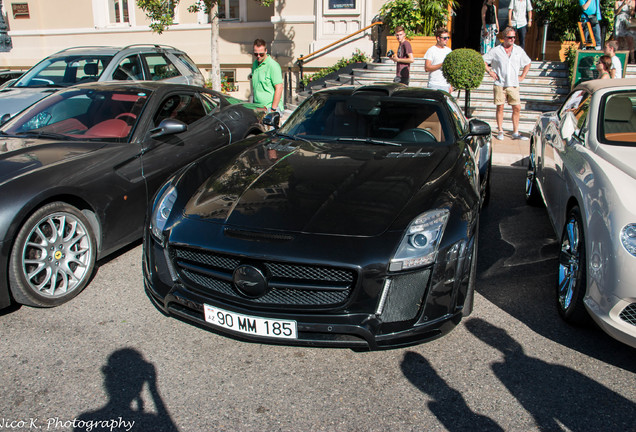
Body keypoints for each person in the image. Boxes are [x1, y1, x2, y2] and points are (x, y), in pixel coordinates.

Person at [483, 27, 532, 141]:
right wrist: (490, 72)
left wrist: (523, 76)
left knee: (517, 107)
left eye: (514, 37)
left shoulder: (518, 50)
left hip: (513, 83)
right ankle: (500, 130)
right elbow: (483, 60)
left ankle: (515, 131)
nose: (512, 39)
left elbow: (528, 62)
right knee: (500, 107)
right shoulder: (496, 50)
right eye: (510, 37)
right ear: (504, 38)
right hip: (500, 83)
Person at [251, 38, 283, 112]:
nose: (258, 56)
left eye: (261, 54)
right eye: (256, 54)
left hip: (270, 108)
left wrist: (273, 109)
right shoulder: (255, 64)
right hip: (258, 108)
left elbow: (279, 88)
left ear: (266, 51)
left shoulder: (273, 65)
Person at [424, 28, 453, 92]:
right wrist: (441, 65)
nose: (447, 40)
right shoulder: (431, 50)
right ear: (438, 38)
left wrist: (450, 85)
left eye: (448, 37)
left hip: (446, 85)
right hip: (434, 84)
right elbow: (427, 68)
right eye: (444, 38)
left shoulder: (448, 51)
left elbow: (450, 69)